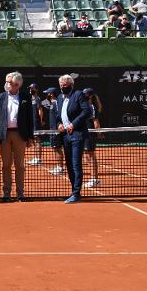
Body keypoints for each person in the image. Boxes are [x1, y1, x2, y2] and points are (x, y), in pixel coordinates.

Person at [0, 71, 34, 202]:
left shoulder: (26, 97)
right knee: (6, 165)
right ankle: (6, 193)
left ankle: (20, 193)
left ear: (17, 84)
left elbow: (30, 119)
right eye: (6, 81)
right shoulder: (0, 98)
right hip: (4, 135)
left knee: (20, 165)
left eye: (9, 82)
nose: (7, 84)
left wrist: (30, 137)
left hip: (20, 135)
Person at [56, 74, 92, 203]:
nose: (62, 87)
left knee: (76, 164)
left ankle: (76, 194)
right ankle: (73, 191)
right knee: (69, 165)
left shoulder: (78, 95)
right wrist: (59, 124)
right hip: (65, 136)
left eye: (64, 85)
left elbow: (87, 111)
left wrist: (73, 124)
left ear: (71, 85)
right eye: (60, 85)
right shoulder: (59, 98)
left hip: (77, 134)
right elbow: (58, 116)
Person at [82, 88, 102, 189]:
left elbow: (96, 121)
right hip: (85, 133)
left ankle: (94, 179)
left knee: (90, 156)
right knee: (87, 156)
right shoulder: (85, 106)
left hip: (90, 134)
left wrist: (98, 132)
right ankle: (93, 179)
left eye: (85, 95)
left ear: (90, 96)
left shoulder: (92, 107)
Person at [43, 87, 65, 176]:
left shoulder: (57, 104)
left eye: (48, 93)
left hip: (56, 130)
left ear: (51, 94)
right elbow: (42, 103)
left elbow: (59, 116)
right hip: (52, 129)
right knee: (55, 148)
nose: (46, 95)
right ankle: (59, 167)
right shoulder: (52, 103)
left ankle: (60, 168)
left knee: (57, 148)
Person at [26, 84, 43, 166]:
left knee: (37, 139)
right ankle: (36, 158)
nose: (30, 90)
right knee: (33, 140)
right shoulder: (30, 99)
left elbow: (40, 110)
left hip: (36, 122)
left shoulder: (37, 99)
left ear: (36, 89)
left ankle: (39, 159)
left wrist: (41, 120)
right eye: (29, 88)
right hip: (31, 123)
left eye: (32, 88)